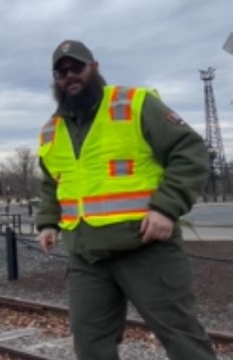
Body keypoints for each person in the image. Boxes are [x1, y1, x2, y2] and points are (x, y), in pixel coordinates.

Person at [35, 40, 217, 360]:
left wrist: (165, 208)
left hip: (145, 248)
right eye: (61, 71)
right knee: (90, 345)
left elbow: (190, 152)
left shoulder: (134, 103)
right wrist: (48, 222)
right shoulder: (52, 128)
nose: (69, 76)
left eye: (76, 67)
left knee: (181, 337)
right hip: (86, 256)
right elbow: (53, 181)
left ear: (94, 67)